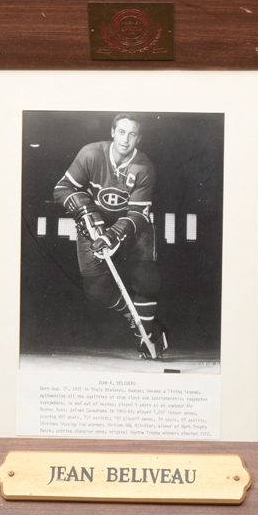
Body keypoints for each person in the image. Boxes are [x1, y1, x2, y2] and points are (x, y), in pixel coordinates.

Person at [53, 113, 167, 359]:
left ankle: (146, 333)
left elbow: (138, 213)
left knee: (145, 281)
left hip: (132, 226)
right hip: (95, 222)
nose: (126, 139)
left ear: (139, 138)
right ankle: (136, 319)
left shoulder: (144, 168)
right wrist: (85, 211)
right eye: (122, 132)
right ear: (113, 132)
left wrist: (114, 235)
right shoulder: (91, 154)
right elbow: (62, 188)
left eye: (133, 134)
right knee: (95, 287)